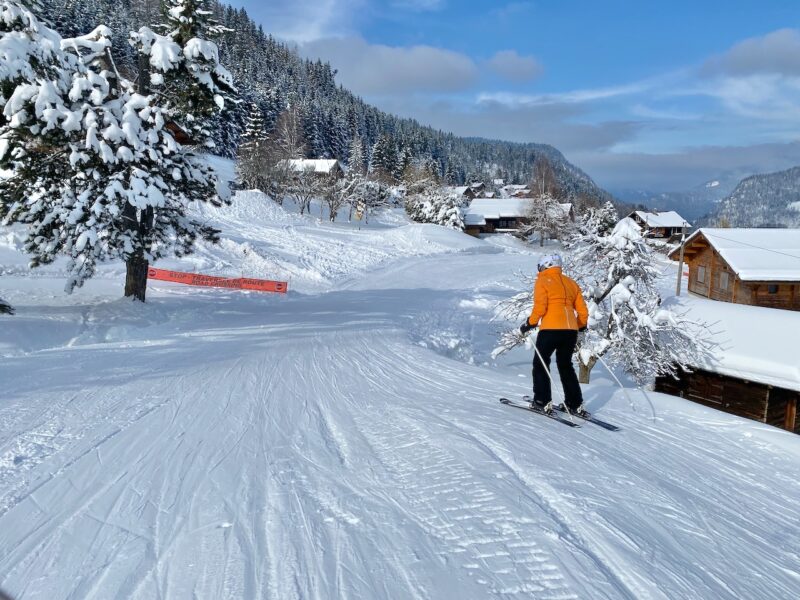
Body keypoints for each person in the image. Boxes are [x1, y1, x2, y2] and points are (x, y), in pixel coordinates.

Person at [520, 253, 589, 416]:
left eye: (541, 266)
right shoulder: (571, 283)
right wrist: (579, 326)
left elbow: (540, 307)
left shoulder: (543, 281)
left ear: (546, 265)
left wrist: (529, 323)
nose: (539, 270)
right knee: (565, 365)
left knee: (541, 363)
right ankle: (574, 403)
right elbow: (582, 311)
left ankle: (542, 401)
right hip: (570, 331)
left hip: (550, 329)